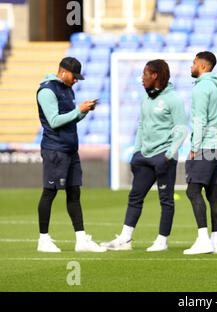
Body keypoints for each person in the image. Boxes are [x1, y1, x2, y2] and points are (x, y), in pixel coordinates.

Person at [101, 59, 187, 252]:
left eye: (145, 74)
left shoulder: (173, 99)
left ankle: (162, 240)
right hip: (144, 156)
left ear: (155, 76)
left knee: (165, 200)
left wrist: (168, 155)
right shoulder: (145, 98)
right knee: (135, 197)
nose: (142, 78)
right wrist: (136, 151)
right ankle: (125, 239)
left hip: (163, 158)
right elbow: (141, 126)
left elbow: (181, 129)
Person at [36, 57, 106, 252]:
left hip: (70, 149)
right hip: (55, 150)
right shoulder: (47, 90)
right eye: (74, 77)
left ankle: (81, 239)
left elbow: (70, 120)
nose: (76, 80)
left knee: (74, 192)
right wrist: (78, 110)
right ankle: (43, 240)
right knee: (49, 193)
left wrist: (84, 112)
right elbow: (55, 121)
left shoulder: (67, 89)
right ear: (63, 72)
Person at [184, 51, 217, 255]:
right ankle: (216, 241)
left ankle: (203, 240)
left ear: (202, 66)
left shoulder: (201, 88)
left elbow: (199, 120)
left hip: (206, 145)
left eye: (193, 63)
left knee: (192, 191)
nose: (191, 66)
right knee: (212, 192)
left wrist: (194, 147)